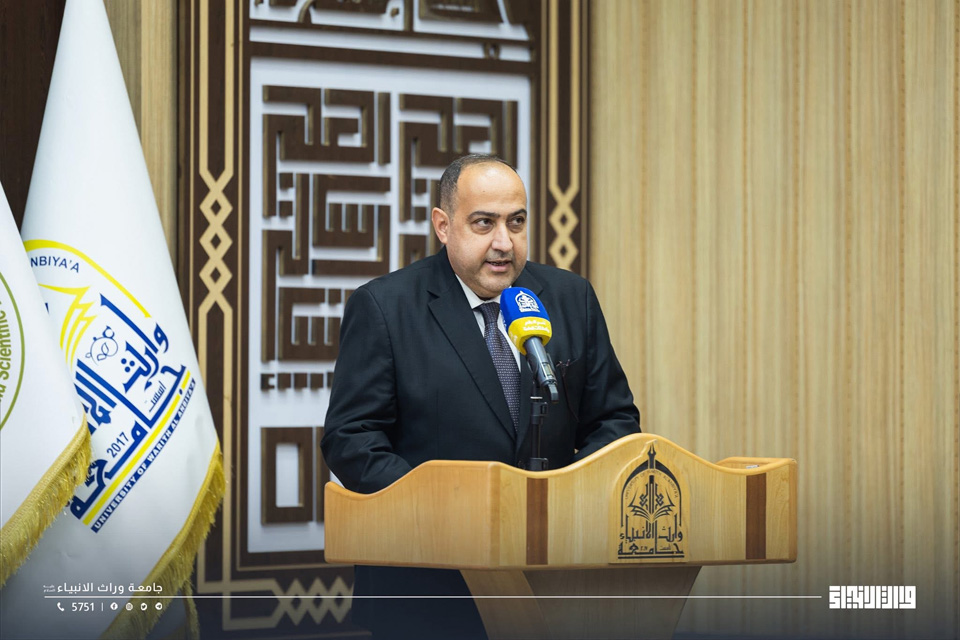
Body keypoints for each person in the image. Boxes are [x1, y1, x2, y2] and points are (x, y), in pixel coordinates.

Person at [321, 154, 640, 639]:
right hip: (427, 587)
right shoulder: (385, 307)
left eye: (516, 222)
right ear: (443, 225)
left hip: (552, 579)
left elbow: (615, 421)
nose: (504, 242)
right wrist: (446, 512)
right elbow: (351, 438)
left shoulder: (569, 298)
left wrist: (569, 499)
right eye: (484, 223)